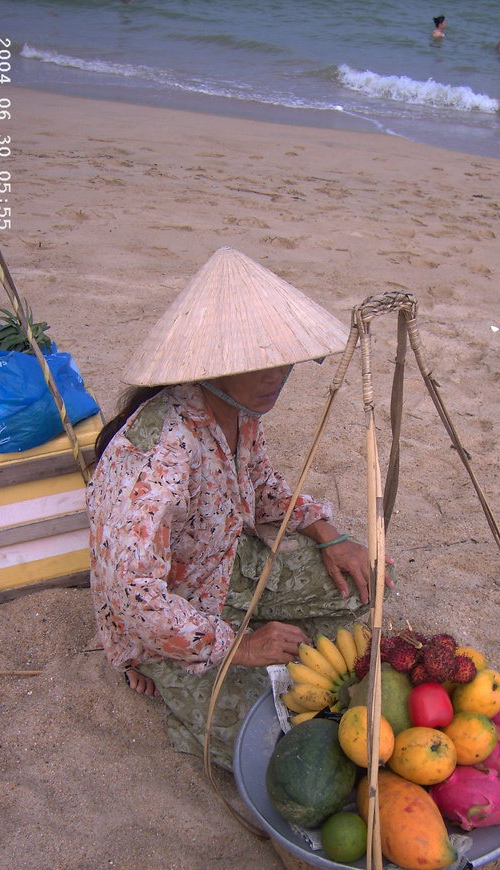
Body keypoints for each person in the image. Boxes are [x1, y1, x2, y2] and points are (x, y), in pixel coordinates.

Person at [86, 247, 392, 771]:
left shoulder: (239, 413)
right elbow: (132, 595)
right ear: (215, 364)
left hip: (229, 567)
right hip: (170, 610)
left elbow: (263, 487)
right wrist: (240, 647)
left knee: (371, 583)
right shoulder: (158, 454)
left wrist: (330, 535)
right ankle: (146, 665)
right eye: (258, 362)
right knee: (268, 742)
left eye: (282, 361)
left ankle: (254, 628)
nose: (276, 376)